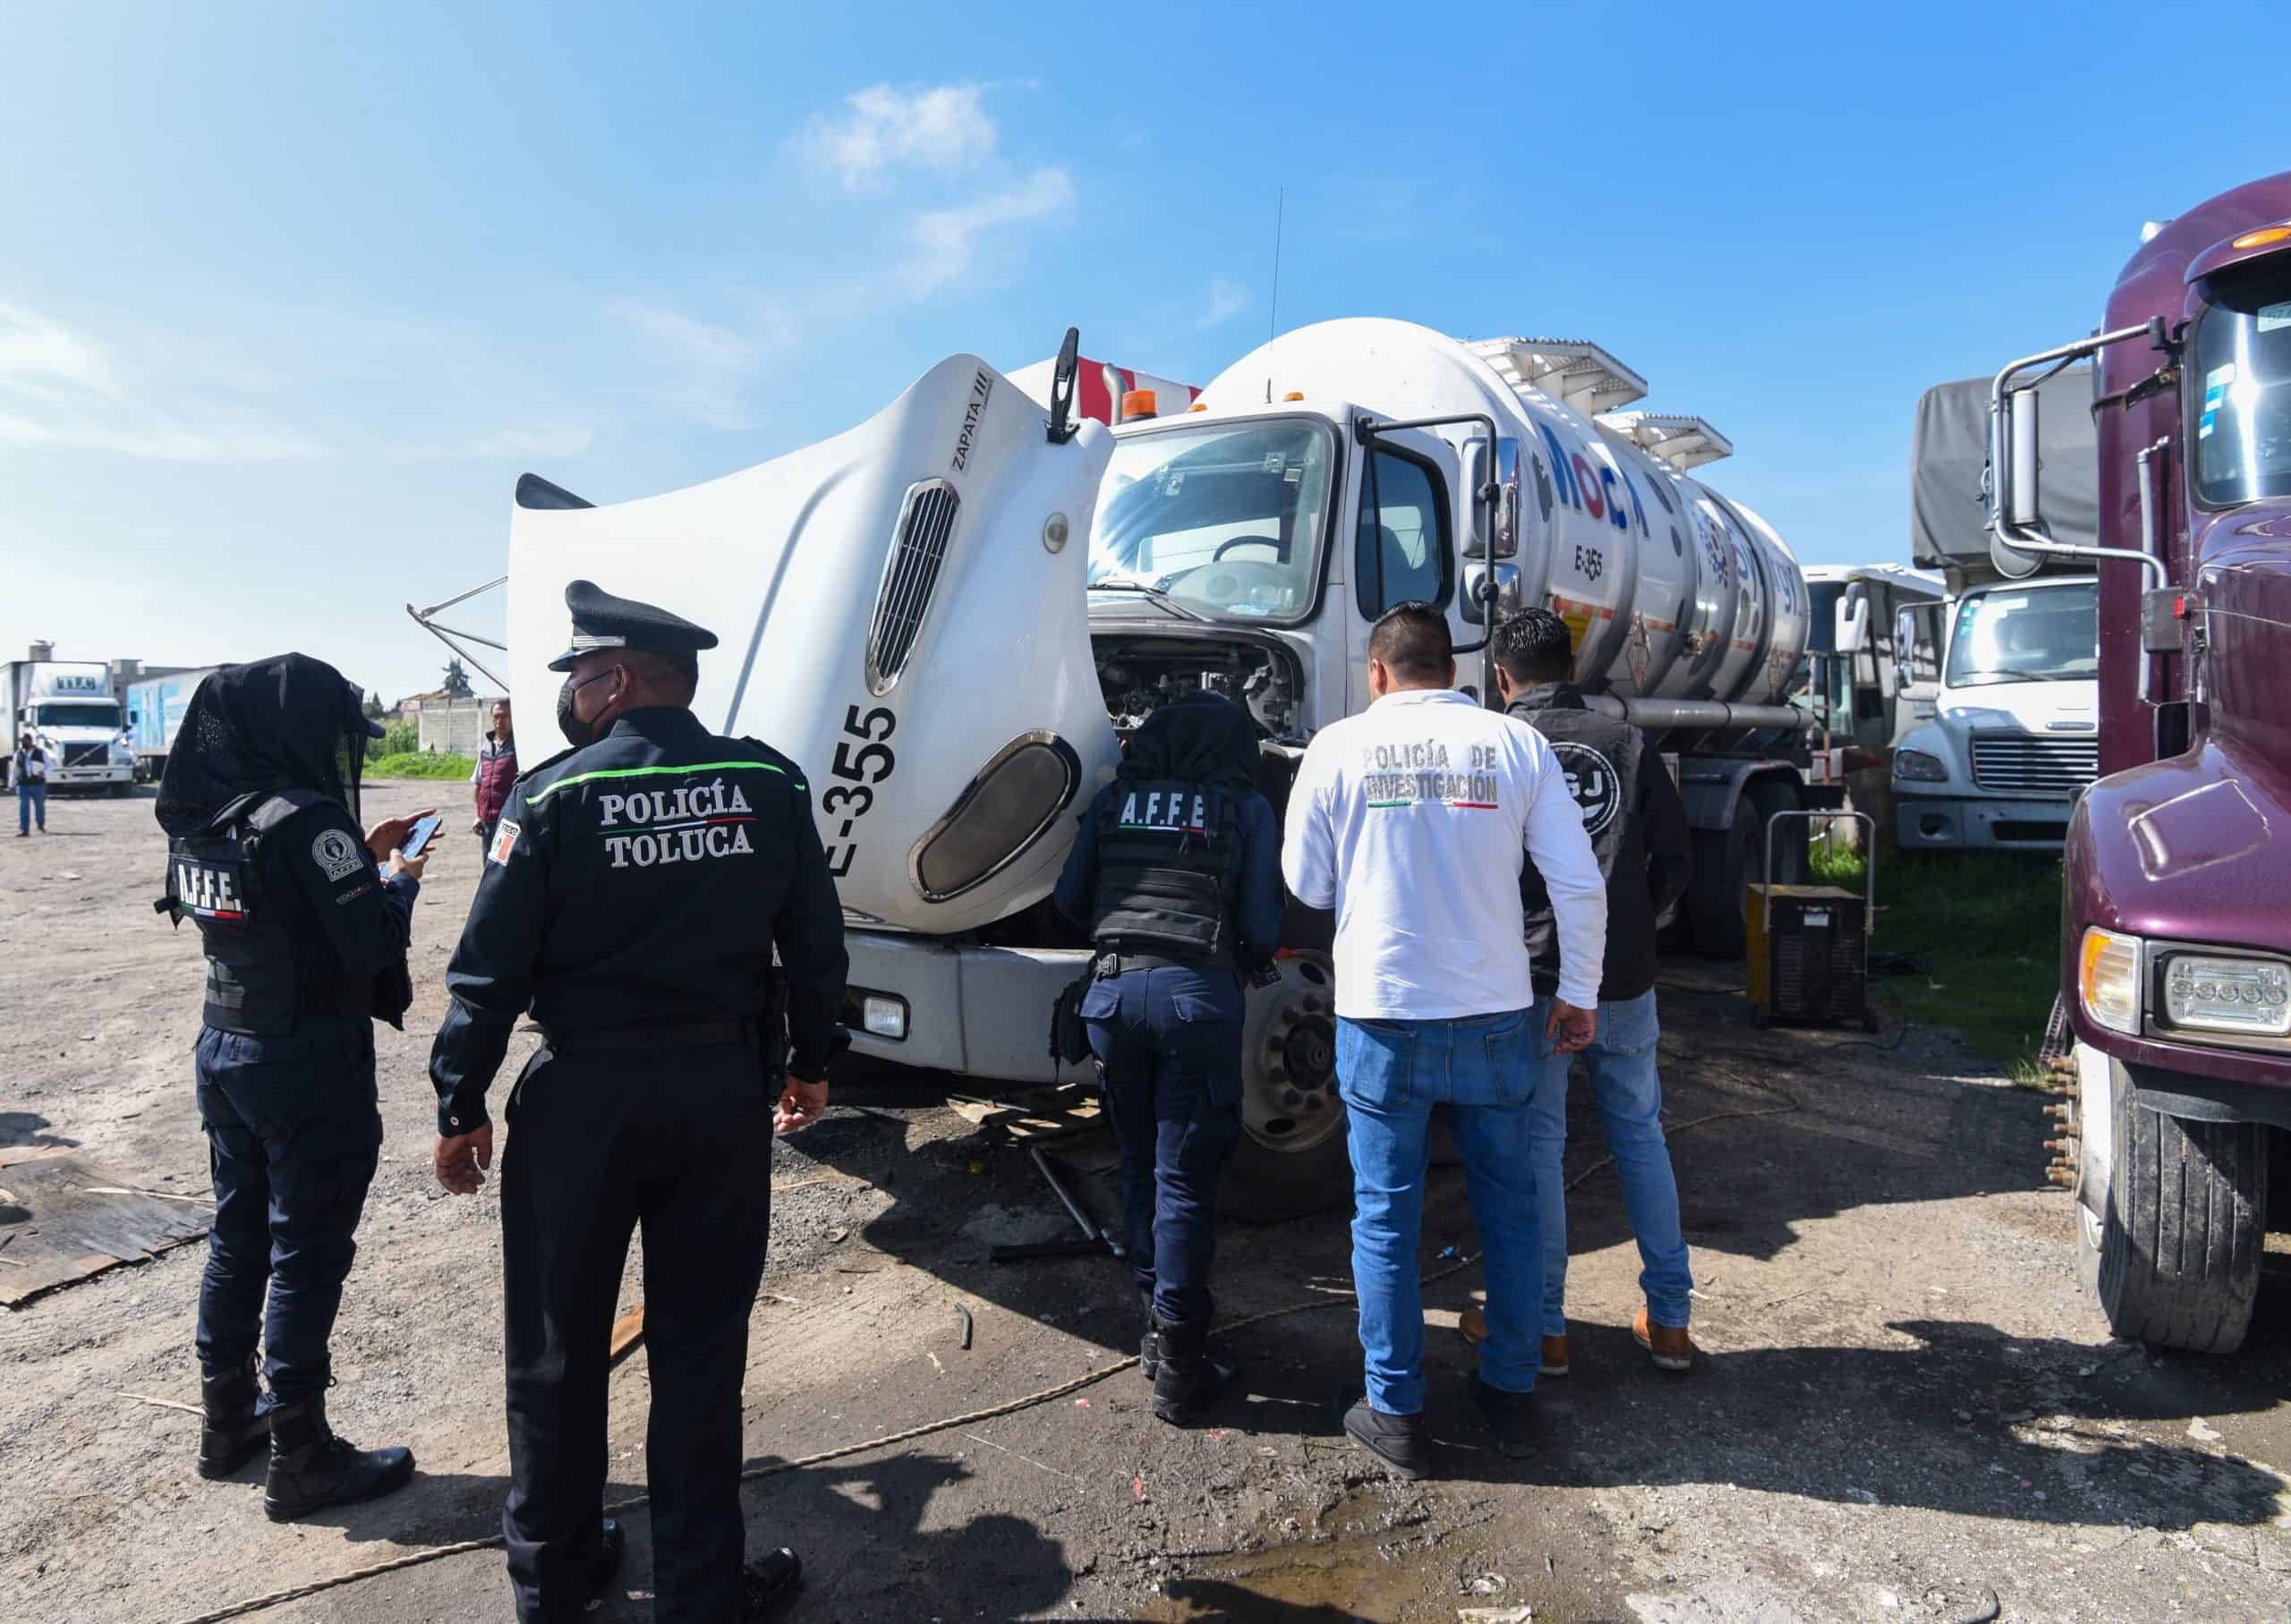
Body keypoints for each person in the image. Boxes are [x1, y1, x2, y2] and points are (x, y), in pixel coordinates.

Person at [429, 580, 848, 1624]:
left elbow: (489, 969)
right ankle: (701, 1595)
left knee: (555, 1348)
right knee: (701, 1355)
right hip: (715, 1098)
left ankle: (556, 1579)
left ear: (614, 678)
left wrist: (459, 1098)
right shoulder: (766, 782)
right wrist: (812, 1060)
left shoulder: (556, 796)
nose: (569, 692)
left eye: (577, 674)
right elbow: (815, 945)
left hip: (581, 1102)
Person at [1282, 604, 1606, 1476]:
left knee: (1386, 1216)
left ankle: (1394, 1410)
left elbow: (1305, 885)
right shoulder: (1513, 746)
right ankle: (1508, 1391)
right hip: (1498, 1016)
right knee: (1510, 1206)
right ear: (1454, 669)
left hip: (1382, 1015)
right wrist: (1577, 994)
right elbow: (1577, 885)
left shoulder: (1336, 749)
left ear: (1377, 673)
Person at [152, 654, 428, 1519]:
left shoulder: (208, 815)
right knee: (307, 1250)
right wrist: (399, 879)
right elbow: (371, 943)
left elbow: (271, 911)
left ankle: (227, 1420)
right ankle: (302, 1453)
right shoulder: (309, 820)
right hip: (305, 1061)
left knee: (240, 1234)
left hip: (226, 1047)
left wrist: (358, 859)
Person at [1051, 692, 1285, 1424]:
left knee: (1137, 1162)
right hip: (1196, 1002)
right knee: (1184, 1179)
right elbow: (1261, 925)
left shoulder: (1116, 800)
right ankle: (1182, 1369)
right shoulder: (1242, 808)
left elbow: (1067, 899)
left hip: (1113, 1001)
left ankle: (1154, 1328)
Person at [1486, 608, 1699, 1373]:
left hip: (1535, 976)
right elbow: (1676, 863)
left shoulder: (1500, 747)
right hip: (1624, 978)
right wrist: (1638, 924)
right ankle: (1670, 1319)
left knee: (1540, 1145)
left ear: (1502, 677)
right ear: (1571, 665)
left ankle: (1547, 1330)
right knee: (1640, 1134)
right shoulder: (1629, 742)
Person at [470, 698, 517, 858]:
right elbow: (478, 784)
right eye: (496, 716)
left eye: (505, 716)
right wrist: (477, 816)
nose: (499, 721)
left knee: (504, 866)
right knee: (489, 866)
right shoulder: (485, 748)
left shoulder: (519, 747)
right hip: (487, 823)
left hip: (509, 822)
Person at [15, 732, 47, 835]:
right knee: (23, 806)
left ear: (30, 741)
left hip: (38, 784)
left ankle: (40, 824)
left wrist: (44, 773)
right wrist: (11, 784)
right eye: (21, 741)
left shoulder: (41, 752)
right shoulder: (18, 753)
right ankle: (24, 829)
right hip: (23, 784)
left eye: (24, 740)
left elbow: (51, 765)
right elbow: (14, 769)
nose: (22, 743)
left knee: (39, 806)